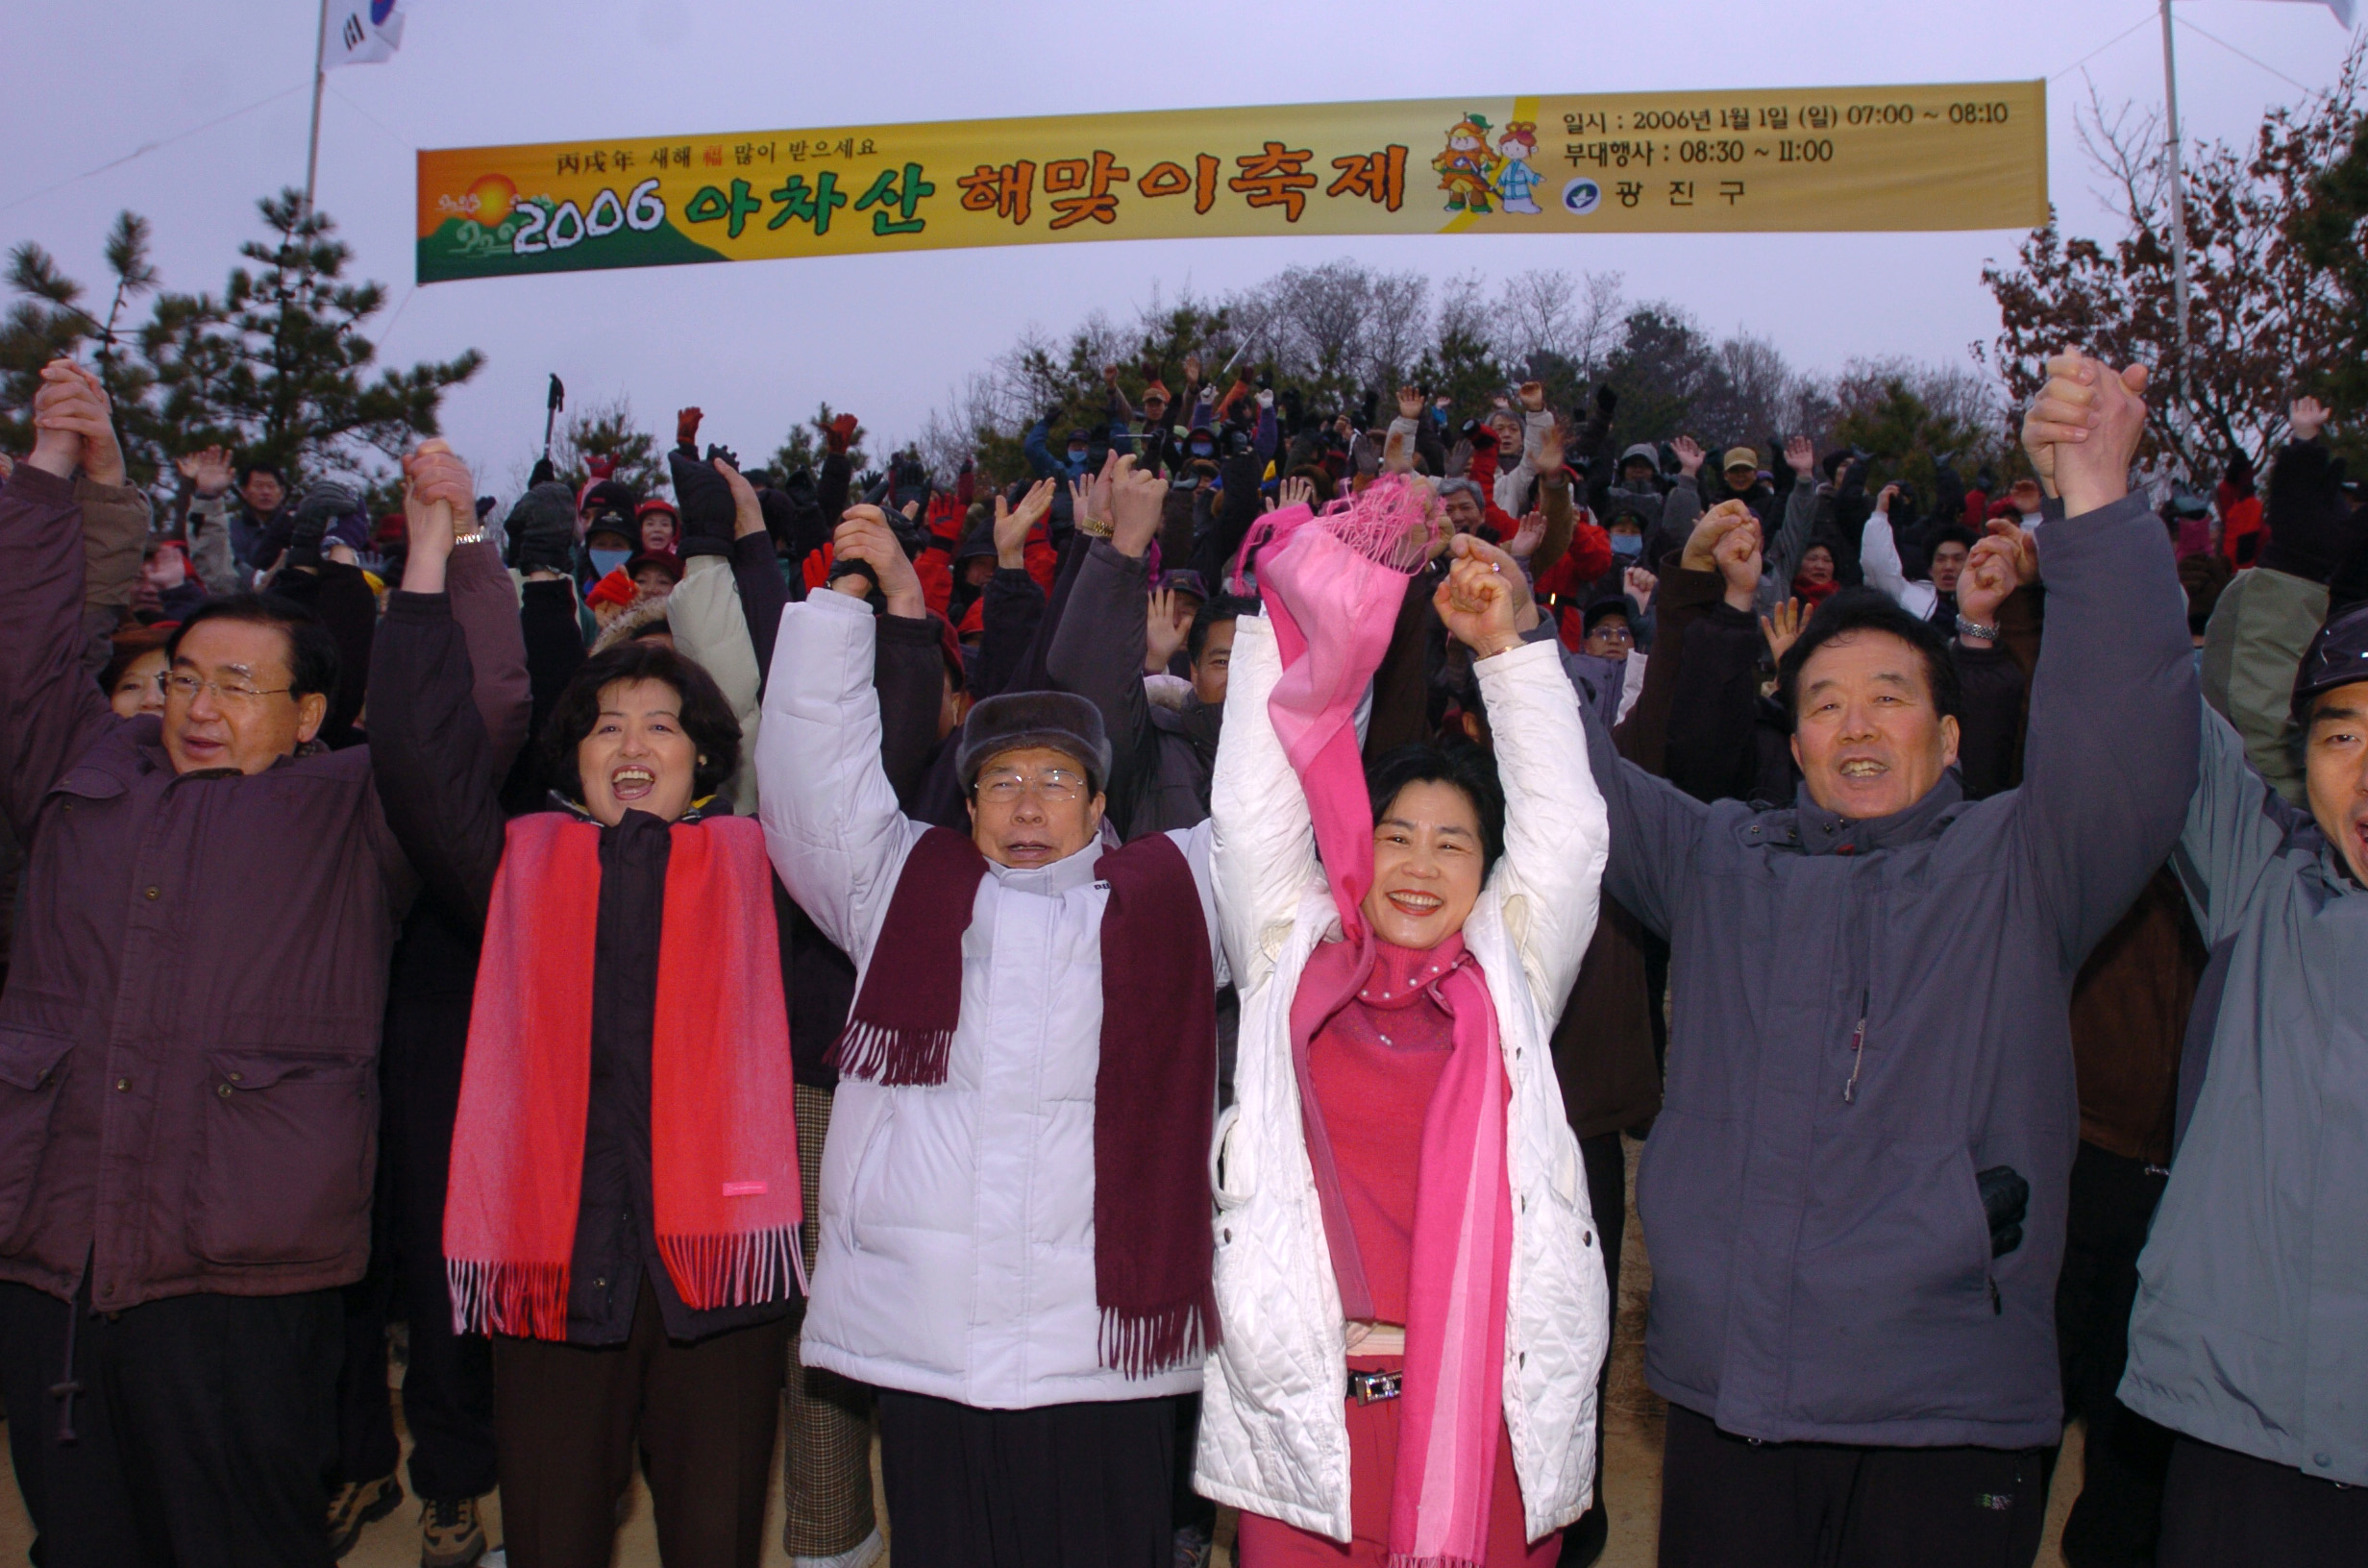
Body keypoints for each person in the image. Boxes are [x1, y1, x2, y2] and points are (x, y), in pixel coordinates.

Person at [1577, 352, 2197, 1567]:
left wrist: (2100, 510)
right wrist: (1498, 650)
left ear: (1952, 734)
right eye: (1823, 703)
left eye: (1889, 698)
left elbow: (2125, 740)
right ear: (1794, 741)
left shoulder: (2021, 864)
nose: (1856, 724)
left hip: (1943, 1413)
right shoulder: (1718, 860)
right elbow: (1576, 794)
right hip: (1728, 1403)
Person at [0, 364, 519, 1568]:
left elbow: (479, 710)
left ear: (311, 718)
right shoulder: (82, 778)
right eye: (184, 678)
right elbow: (25, 652)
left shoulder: (356, 812)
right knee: (81, 1543)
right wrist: (55, 481)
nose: (197, 706)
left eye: (238, 687)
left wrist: (463, 549)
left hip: (239, 1269)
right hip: (53, 1253)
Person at [757, 469, 1224, 1568]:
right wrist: (841, 606)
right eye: (1000, 779)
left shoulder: (1172, 899)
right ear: (964, 806)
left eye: (1056, 778)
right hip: (931, 1341)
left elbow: (1274, 820)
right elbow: (812, 789)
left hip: (1100, 1354)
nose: (1025, 804)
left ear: (1101, 803)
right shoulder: (898, 888)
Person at [370, 446, 803, 1568]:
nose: (631, 745)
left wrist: (748, 547)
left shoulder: (766, 867)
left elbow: (825, 728)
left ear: (703, 759)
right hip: (554, 1265)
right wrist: (429, 564)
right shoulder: (514, 865)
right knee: (556, 1541)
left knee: (714, 1542)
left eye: (661, 725)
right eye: (607, 724)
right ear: (574, 757)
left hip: (718, 1282)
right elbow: (419, 762)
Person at [1196, 479, 1612, 1567]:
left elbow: (1565, 834)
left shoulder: (1508, 981)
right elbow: (1246, 813)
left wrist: (1509, 651)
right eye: (1396, 835)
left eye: (1453, 843)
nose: (1421, 866)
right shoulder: (1293, 956)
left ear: (1486, 872)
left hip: (1485, 1418)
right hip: (1308, 1432)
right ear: (1353, 848)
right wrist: (1284, 612)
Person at [2117, 395, 2368, 1566]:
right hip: (2236, 1438)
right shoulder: (2265, 888)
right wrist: (2099, 496)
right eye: (2338, 736)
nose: (2364, 774)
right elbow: (2159, 693)